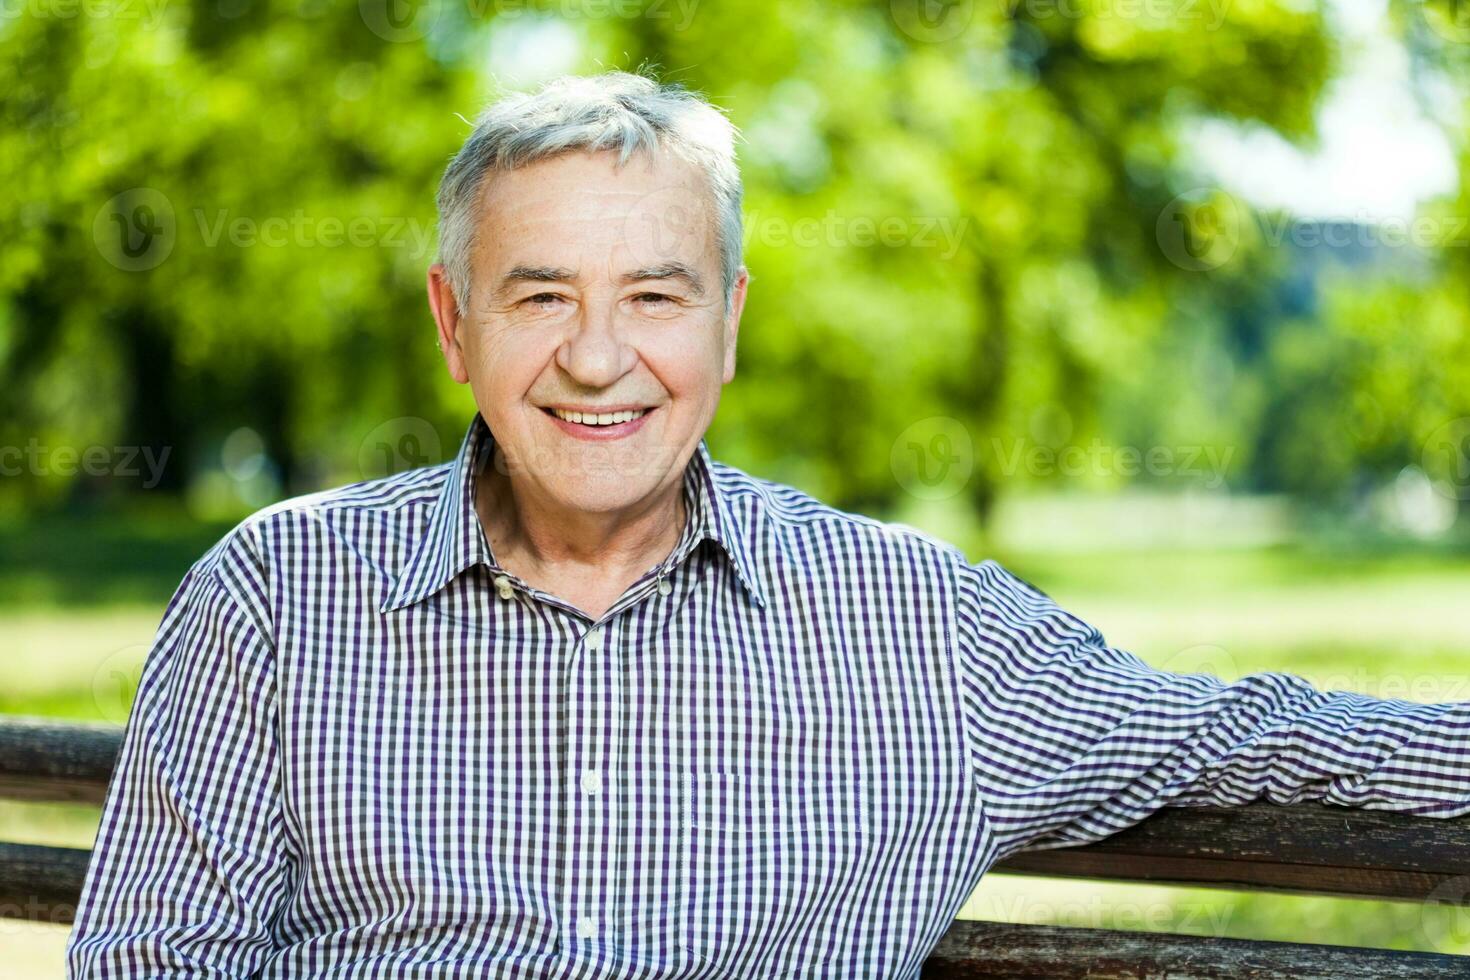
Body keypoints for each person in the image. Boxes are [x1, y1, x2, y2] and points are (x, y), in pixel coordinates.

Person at [66, 70, 1470, 979]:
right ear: (455, 323)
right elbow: (149, 960)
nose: (598, 358)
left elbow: (1257, 734)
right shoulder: (276, 594)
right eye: (541, 295)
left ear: (727, 325)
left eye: (656, 296)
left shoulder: (924, 631)